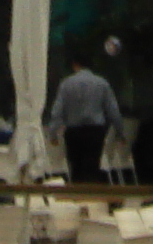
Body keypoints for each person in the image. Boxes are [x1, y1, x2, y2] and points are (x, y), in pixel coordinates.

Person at [46, 52, 121, 187]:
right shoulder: (102, 83)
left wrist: (53, 133)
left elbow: (57, 111)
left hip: (74, 131)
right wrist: (119, 132)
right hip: (95, 131)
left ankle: (77, 197)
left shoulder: (66, 83)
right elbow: (113, 110)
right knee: (92, 166)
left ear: (75, 65)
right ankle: (92, 197)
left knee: (75, 167)